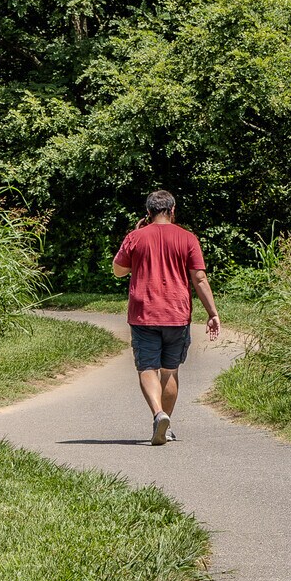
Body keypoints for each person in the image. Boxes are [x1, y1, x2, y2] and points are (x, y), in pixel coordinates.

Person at [112, 188, 220, 445]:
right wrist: (212, 313)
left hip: (143, 314)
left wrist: (136, 236)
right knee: (170, 370)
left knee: (147, 367)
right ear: (173, 211)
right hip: (177, 313)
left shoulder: (135, 237)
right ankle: (167, 425)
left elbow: (118, 271)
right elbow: (199, 278)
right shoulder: (187, 238)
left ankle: (158, 414)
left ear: (148, 213)